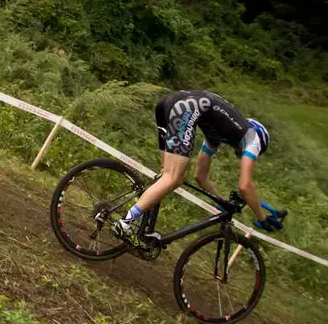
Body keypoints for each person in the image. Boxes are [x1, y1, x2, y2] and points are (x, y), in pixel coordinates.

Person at [112, 90, 283, 245]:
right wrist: (262, 217)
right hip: (186, 108)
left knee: (167, 174)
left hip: (170, 102)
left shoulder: (219, 133)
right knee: (173, 178)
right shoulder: (253, 139)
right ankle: (125, 222)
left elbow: (200, 175)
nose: (243, 155)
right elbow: (245, 185)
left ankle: (143, 227)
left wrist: (220, 201)